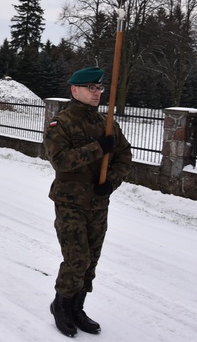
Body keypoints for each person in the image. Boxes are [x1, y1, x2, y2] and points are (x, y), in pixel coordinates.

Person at [42, 67, 132, 337]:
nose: (97, 93)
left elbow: (124, 156)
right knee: (77, 258)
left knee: (91, 260)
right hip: (70, 202)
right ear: (75, 90)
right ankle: (61, 305)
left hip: (98, 203)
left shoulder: (107, 123)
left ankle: (77, 307)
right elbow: (60, 161)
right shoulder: (62, 123)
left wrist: (111, 182)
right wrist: (97, 148)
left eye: (99, 88)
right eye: (91, 88)